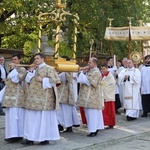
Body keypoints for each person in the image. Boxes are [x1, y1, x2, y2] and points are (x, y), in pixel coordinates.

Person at [21, 52, 60, 145]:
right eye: (35, 58)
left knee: (43, 119)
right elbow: (28, 81)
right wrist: (30, 72)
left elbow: (56, 81)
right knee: (31, 119)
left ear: (43, 59)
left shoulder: (49, 69)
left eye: (37, 58)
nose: (36, 60)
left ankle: (44, 138)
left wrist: (43, 80)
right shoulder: (34, 69)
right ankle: (29, 137)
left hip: (44, 99)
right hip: (32, 98)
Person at [2, 54, 27, 142]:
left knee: (16, 116)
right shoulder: (12, 70)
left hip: (17, 96)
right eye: (12, 59)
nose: (13, 61)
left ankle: (18, 135)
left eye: (15, 59)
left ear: (19, 60)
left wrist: (13, 70)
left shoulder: (22, 69)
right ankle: (11, 134)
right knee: (10, 116)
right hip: (10, 96)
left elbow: (17, 79)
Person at [77, 57, 104, 137]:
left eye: (90, 62)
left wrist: (81, 74)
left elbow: (91, 82)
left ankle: (93, 130)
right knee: (91, 112)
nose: (88, 64)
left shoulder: (96, 72)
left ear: (94, 64)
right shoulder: (90, 70)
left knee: (92, 113)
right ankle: (97, 127)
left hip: (93, 96)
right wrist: (83, 72)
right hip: (89, 96)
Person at [101, 62, 116, 129]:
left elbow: (112, 85)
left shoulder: (110, 76)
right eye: (102, 69)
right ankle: (104, 122)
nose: (103, 71)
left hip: (108, 95)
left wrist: (103, 88)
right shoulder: (101, 75)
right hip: (103, 95)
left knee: (109, 111)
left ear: (107, 68)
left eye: (104, 69)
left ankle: (110, 123)